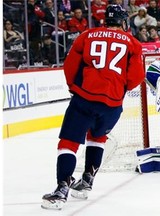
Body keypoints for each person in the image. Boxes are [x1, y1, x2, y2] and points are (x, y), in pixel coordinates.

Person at [41, 4, 145, 210]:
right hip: (113, 105)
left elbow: (71, 64)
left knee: (68, 143)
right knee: (98, 138)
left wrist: (74, 87)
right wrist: (117, 90)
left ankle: (62, 189)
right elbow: (135, 78)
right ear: (123, 22)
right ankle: (87, 181)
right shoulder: (133, 43)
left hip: (85, 99)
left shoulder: (87, 35)